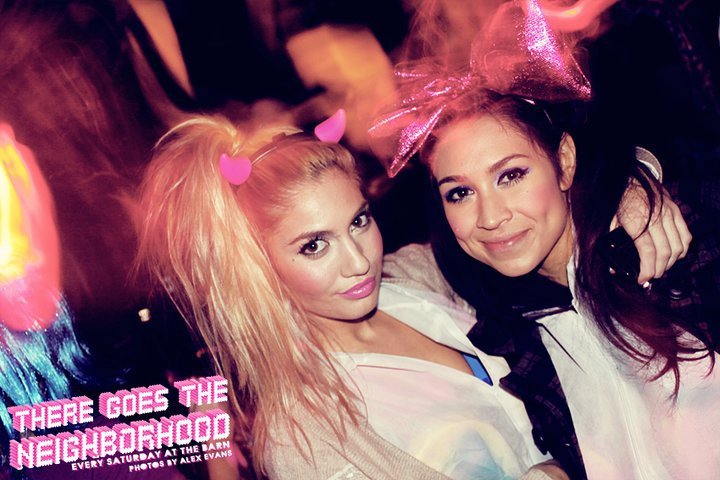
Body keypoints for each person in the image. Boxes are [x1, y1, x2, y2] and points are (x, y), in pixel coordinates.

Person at [372, 4, 720, 478]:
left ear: (565, 163)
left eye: (511, 175)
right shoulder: (506, 335)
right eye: (460, 193)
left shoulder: (684, 244)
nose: (490, 217)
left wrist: (635, 176)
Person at [135, 111, 583, 479]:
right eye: (314, 245)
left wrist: (619, 201)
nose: (358, 261)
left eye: (358, 221)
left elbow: (527, 236)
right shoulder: (303, 439)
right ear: (260, 269)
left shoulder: (413, 277)